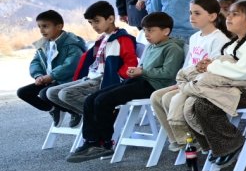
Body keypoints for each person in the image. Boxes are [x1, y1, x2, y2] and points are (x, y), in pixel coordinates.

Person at [168, 0, 246, 169]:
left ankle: (231, 144)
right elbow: (227, 64)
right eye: (229, 13)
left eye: (235, 14)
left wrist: (212, 66)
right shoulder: (237, 41)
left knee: (205, 104)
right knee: (196, 103)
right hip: (236, 88)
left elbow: (243, 72)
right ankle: (217, 146)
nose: (229, 17)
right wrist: (209, 65)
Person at [67, 12, 184, 162]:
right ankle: (90, 141)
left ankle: (105, 143)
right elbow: (143, 67)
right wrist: (135, 71)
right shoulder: (152, 46)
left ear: (166, 31)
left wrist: (142, 71)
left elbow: (168, 73)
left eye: (151, 30)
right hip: (140, 81)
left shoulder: (173, 48)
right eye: (145, 30)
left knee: (103, 101)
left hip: (153, 86)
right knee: (91, 99)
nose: (146, 34)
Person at [150, 0, 227, 150]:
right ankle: (178, 139)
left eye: (197, 13)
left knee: (167, 98)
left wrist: (187, 84)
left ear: (212, 16)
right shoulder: (194, 37)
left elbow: (213, 69)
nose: (192, 17)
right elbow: (188, 64)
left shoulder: (219, 39)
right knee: (156, 97)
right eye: (191, 13)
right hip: (188, 81)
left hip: (202, 84)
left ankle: (192, 139)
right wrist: (180, 83)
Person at [42, 0, 134, 125]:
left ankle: (105, 117)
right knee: (51, 93)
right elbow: (91, 60)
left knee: (66, 94)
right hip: (91, 77)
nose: (94, 26)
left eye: (97, 21)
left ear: (111, 19)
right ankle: (101, 117)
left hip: (105, 80)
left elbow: (131, 63)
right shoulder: (101, 39)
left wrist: (118, 76)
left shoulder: (123, 39)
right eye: (91, 23)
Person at [17, 10, 87, 119]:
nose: (41, 30)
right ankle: (54, 109)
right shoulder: (44, 44)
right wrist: (38, 75)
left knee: (45, 94)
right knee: (23, 93)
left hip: (68, 79)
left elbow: (71, 65)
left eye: (45, 26)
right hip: (50, 79)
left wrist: (51, 76)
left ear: (59, 26)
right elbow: (35, 62)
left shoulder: (71, 43)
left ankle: (75, 111)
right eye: (39, 26)